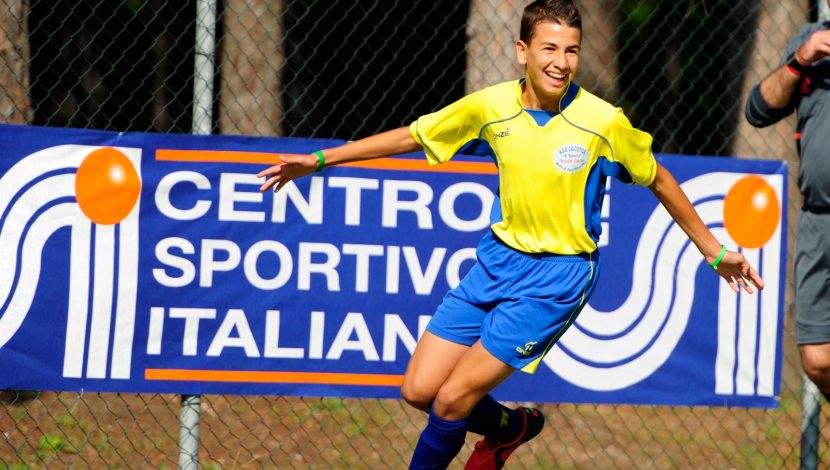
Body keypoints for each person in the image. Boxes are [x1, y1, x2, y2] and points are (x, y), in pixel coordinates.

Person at [261, 1, 764, 468]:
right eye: (549, 48)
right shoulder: (492, 106)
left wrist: (713, 250)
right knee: (418, 390)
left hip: (558, 277)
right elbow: (414, 135)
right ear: (522, 51)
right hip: (496, 262)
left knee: (453, 398)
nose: (560, 62)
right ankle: (511, 426)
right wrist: (320, 160)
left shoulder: (601, 121)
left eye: (571, 50)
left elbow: (656, 176)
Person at [745, 5, 830, 403]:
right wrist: (800, 61)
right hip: (818, 222)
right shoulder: (812, 40)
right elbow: (758, 111)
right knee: (817, 359)